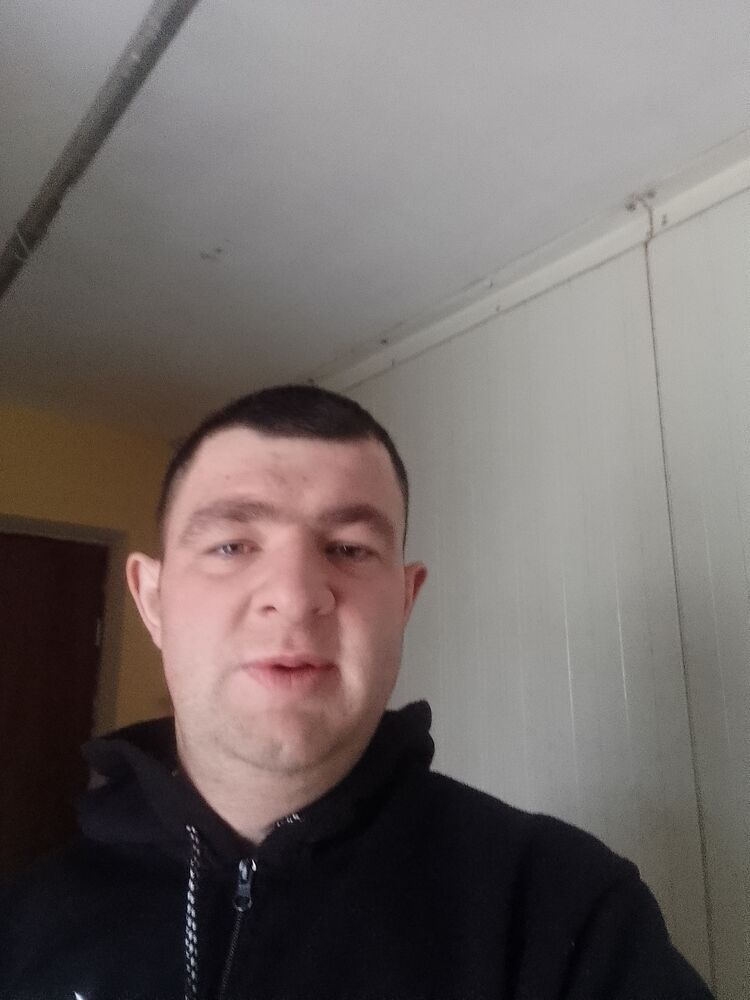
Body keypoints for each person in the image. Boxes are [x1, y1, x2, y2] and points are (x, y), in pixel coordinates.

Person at [0, 384, 713, 1000]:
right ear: (153, 600)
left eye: (348, 549)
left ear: (403, 600)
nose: (294, 595)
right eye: (231, 545)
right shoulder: (20, 923)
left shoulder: (565, 909)